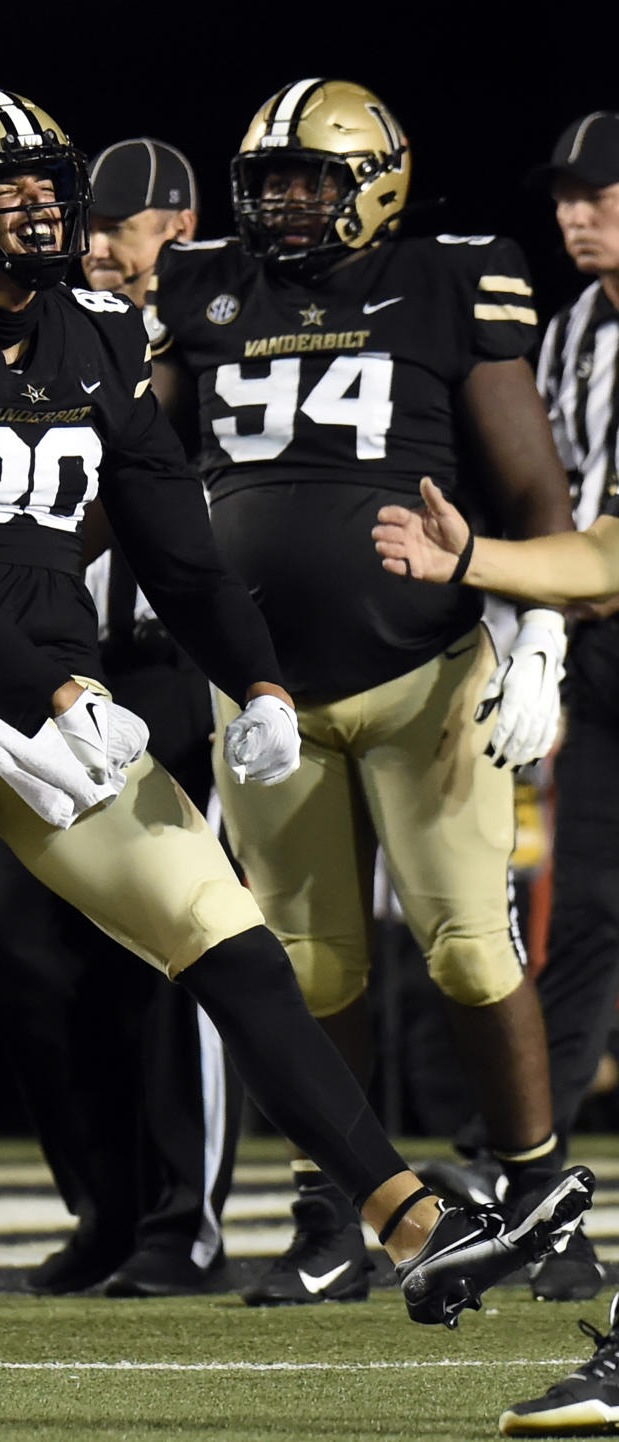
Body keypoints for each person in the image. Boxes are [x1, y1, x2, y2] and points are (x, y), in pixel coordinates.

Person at [0, 84, 594, 1394]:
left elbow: (178, 545)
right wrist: (49, 694)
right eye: (0, 191)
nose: (38, 208)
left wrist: (262, 680)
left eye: (46, 185)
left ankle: (416, 1222)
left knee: (231, 941)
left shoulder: (98, 337)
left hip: (58, 706)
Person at [146, 76, 576, 1308]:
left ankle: (539, 1198)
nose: (285, 201)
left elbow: (533, 493)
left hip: (423, 674)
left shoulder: (452, 278)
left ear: (375, 179)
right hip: (261, 691)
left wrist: (538, 627)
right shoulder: (204, 290)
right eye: (270, 179)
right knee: (306, 962)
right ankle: (338, 1210)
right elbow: (141, 462)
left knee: (468, 945)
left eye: (312, 179)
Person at [0, 137, 242, 1299]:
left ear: (179, 233)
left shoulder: (221, 333)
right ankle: (106, 1203)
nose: (94, 242)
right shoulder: (47, 327)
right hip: (55, 672)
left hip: (169, 671)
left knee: (175, 945)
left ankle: (184, 1220)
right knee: (20, 951)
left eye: (121, 228)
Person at [422, 110, 619, 1310]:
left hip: (590, 595)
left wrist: (481, 571)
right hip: (598, 640)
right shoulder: (578, 329)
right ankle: (526, 1169)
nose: (576, 211)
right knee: (586, 909)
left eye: (602, 192)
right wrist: (534, 622)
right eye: (567, 195)